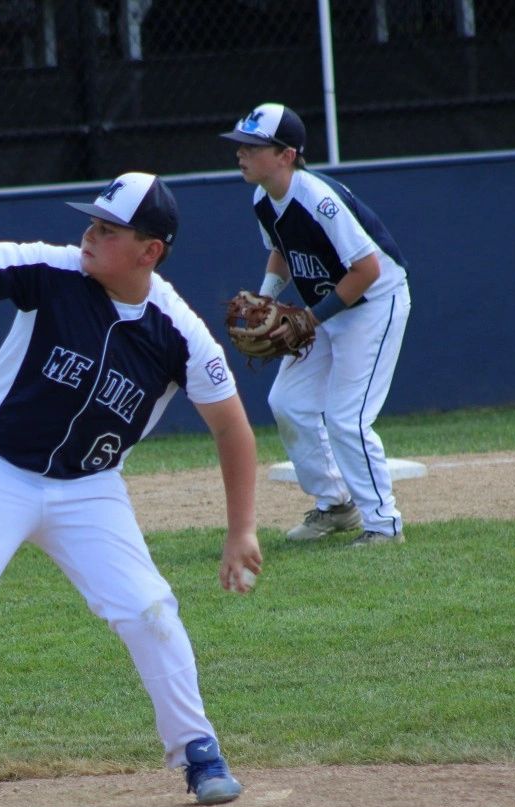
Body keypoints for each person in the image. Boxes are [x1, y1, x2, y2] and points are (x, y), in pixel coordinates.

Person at [0, 172, 263, 806]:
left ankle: (200, 753)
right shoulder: (54, 270)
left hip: (87, 490)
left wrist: (241, 530)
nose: (89, 235)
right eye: (91, 222)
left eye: (108, 228)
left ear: (150, 251)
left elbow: (233, 428)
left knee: (150, 609)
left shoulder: (179, 335)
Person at [221, 102, 412, 546]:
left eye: (252, 146)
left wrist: (309, 318)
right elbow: (282, 251)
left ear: (286, 154)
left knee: (348, 417)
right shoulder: (262, 198)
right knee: (288, 401)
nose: (241, 153)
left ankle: (384, 525)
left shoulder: (318, 200)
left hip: (373, 304)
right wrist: (267, 296)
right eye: (240, 145)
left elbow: (368, 270)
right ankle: (336, 506)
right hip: (327, 306)